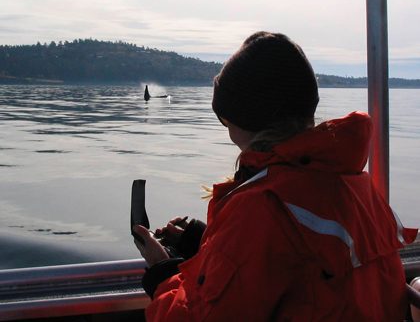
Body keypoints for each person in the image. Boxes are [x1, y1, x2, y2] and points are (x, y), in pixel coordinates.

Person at [133, 31, 417, 321]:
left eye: (224, 117)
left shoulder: (260, 207)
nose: (226, 127)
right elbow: (302, 266)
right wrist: (208, 246)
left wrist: (163, 275)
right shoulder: (356, 185)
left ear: (246, 119)